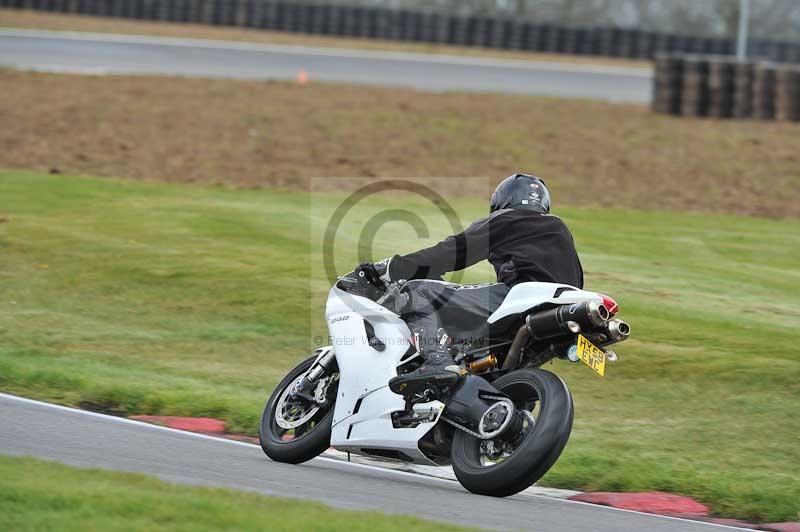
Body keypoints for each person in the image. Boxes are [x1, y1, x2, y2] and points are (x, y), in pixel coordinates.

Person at [366, 174, 584, 398]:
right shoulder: (559, 228)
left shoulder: (505, 219)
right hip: (564, 310)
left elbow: (452, 252)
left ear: (504, 199)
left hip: (524, 297)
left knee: (418, 291)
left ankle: (438, 363)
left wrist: (395, 267)